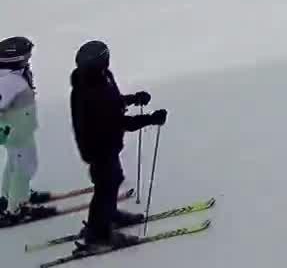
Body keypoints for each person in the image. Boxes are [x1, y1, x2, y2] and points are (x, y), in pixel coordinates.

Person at [68, 40, 164, 253]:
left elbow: (113, 102)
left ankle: (109, 215)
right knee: (106, 186)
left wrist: (133, 99)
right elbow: (117, 121)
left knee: (114, 179)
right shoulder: (91, 90)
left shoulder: (100, 78)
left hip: (107, 143)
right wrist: (150, 119)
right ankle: (98, 234)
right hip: (98, 146)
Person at [0, 36, 52, 224]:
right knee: (26, 166)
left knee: (14, 163)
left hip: (18, 127)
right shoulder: (9, 81)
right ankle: (16, 208)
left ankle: (8, 197)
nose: (29, 58)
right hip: (15, 130)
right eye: (27, 55)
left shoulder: (14, 74)